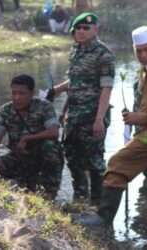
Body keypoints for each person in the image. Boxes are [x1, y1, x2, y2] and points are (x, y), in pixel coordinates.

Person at [77, 25, 147, 226]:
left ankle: (103, 218)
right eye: (138, 51)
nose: (143, 55)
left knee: (117, 164)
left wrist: (139, 117)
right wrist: (134, 117)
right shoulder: (143, 72)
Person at [53, 13, 115, 204]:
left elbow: (107, 87)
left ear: (95, 30)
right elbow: (76, 82)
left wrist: (99, 119)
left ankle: (97, 204)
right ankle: (80, 197)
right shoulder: (76, 52)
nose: (81, 32)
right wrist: (62, 105)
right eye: (77, 28)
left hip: (92, 117)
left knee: (95, 162)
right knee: (72, 156)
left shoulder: (104, 55)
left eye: (86, 28)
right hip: (74, 116)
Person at [0, 74, 64, 199]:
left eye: (22, 93)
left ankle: (50, 193)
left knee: (51, 146)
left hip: (41, 157)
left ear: (32, 93)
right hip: (19, 157)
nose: (17, 97)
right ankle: (19, 184)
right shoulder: (5, 110)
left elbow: (54, 132)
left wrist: (26, 138)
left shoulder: (44, 106)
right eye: (14, 93)